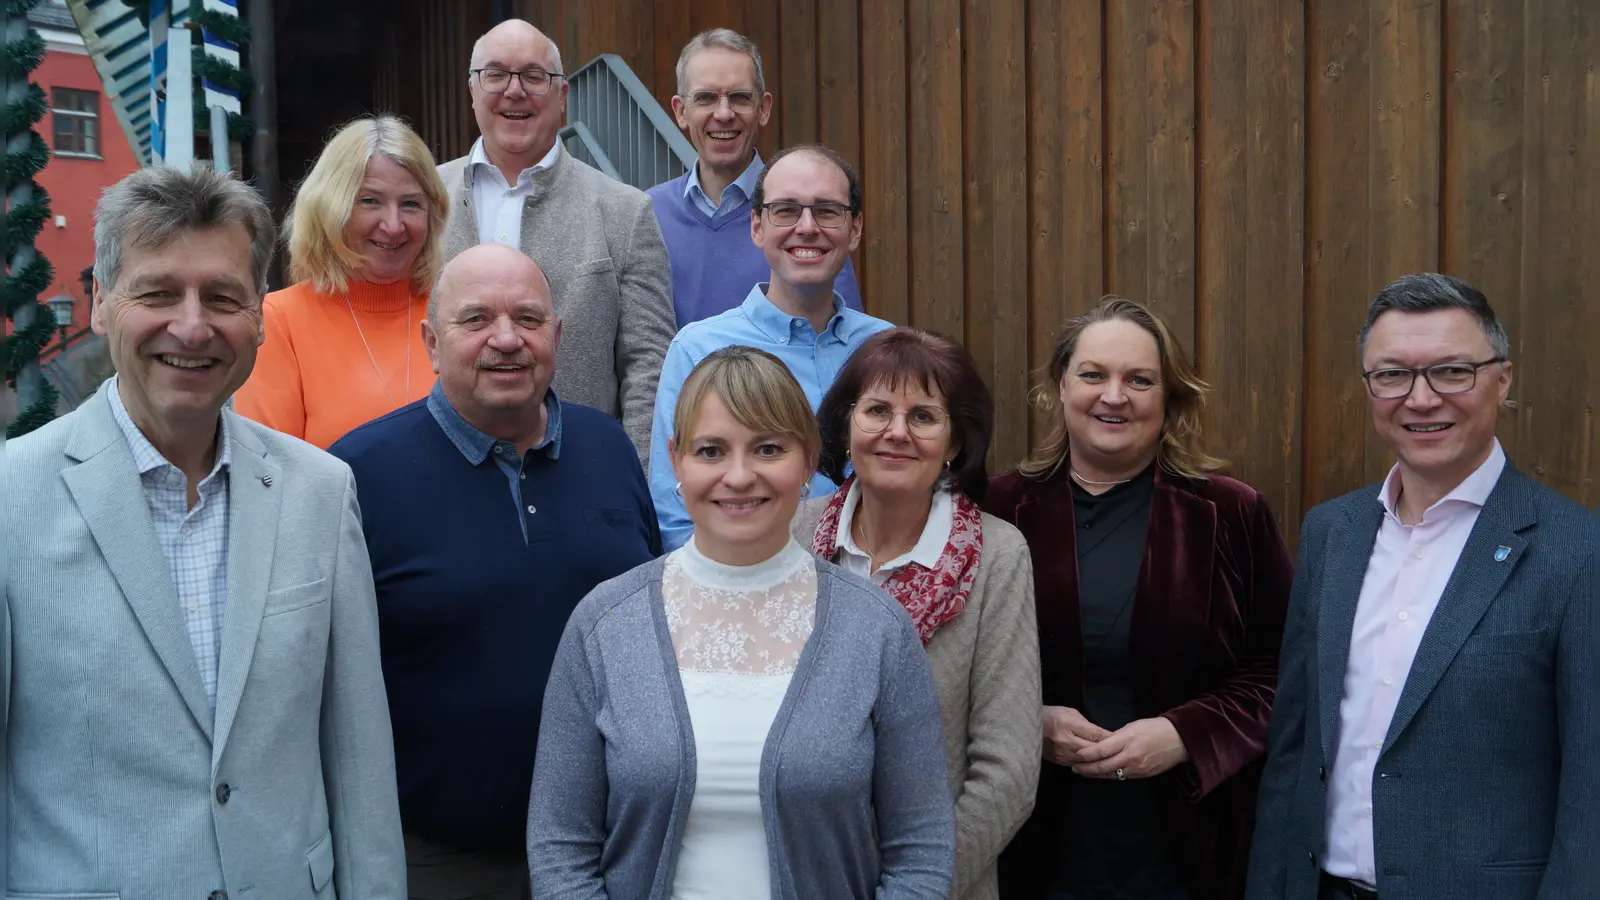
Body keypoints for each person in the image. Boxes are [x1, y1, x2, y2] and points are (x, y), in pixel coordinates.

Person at [2, 165, 405, 897]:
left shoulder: (319, 490)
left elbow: (359, 765)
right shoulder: (9, 498)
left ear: (258, 316)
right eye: (157, 293)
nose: (191, 327)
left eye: (222, 298)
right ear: (100, 304)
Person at [528, 345, 955, 898]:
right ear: (676, 460)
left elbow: (921, 848)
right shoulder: (604, 625)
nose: (738, 475)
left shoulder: (877, 629)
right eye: (711, 450)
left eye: (768, 448)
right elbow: (560, 847)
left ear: (807, 462)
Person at [1246, 274, 1598, 900]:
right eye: (1393, 375)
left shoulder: (1576, 553)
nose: (1421, 398)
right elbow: (1296, 745)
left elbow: (1591, 792)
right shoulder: (1333, 532)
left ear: (1503, 380)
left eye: (1452, 371)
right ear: (1368, 387)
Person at [329, 242, 659, 899]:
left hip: (613, 849)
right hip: (442, 863)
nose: (505, 340)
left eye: (529, 320)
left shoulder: (608, 447)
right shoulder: (358, 474)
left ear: (558, 337)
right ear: (430, 340)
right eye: (476, 320)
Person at [986, 296, 1294, 900]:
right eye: (1094, 374)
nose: (1114, 396)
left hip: (1189, 842)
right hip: (1034, 843)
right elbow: (951, 673)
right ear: (1059, 384)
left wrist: (1185, 734)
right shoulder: (996, 511)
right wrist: (1028, 724)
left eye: (1140, 380)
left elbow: (1283, 670)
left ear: (1169, 397)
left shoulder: (1230, 513)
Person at [790, 327, 1040, 900]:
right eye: (877, 410)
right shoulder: (793, 533)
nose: (896, 433)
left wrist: (913, 887)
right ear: (847, 426)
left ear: (954, 442)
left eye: (924, 417)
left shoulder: (998, 557)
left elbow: (1009, 773)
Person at [437, 18, 675, 460]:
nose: (514, 91)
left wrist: (635, 482)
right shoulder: (423, 202)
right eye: (496, 75)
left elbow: (649, 369)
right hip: (443, 467)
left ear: (562, 96)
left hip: (579, 473)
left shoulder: (625, 211)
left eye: (533, 76)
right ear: (472, 90)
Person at [648, 143, 893, 550]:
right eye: (786, 210)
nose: (807, 227)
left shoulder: (884, 347)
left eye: (828, 210)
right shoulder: (698, 350)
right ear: (757, 227)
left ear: (855, 229)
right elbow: (674, 513)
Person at [235, 115, 448, 448]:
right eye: (369, 201)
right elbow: (270, 472)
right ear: (330, 208)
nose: (393, 225)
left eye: (410, 204)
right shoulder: (278, 321)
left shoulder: (455, 313)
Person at [648, 28, 861, 326]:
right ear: (681, 111)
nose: (723, 114)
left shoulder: (808, 218)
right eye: (706, 98)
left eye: (740, 97)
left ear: (763, 109)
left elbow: (843, 340)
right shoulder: (647, 215)